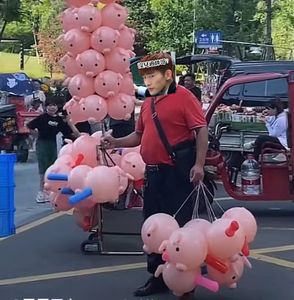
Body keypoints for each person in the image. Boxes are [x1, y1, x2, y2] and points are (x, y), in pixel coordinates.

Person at [101, 52, 208, 297]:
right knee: (153, 228)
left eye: (152, 75)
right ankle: (157, 276)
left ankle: (184, 281)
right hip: (154, 173)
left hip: (177, 173)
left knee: (179, 228)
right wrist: (115, 141)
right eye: (146, 75)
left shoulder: (184, 97)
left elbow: (201, 131)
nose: (148, 80)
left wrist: (199, 164)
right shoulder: (149, 101)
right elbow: (139, 135)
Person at [27, 95, 80, 203]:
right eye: (50, 105)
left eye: (54, 105)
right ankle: (41, 192)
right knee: (43, 169)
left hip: (52, 144)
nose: (52, 108)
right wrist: (35, 135)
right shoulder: (42, 118)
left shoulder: (59, 120)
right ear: (46, 107)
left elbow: (67, 132)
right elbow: (29, 126)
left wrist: (75, 131)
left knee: (52, 168)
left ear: (57, 107)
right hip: (42, 144)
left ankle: (50, 191)